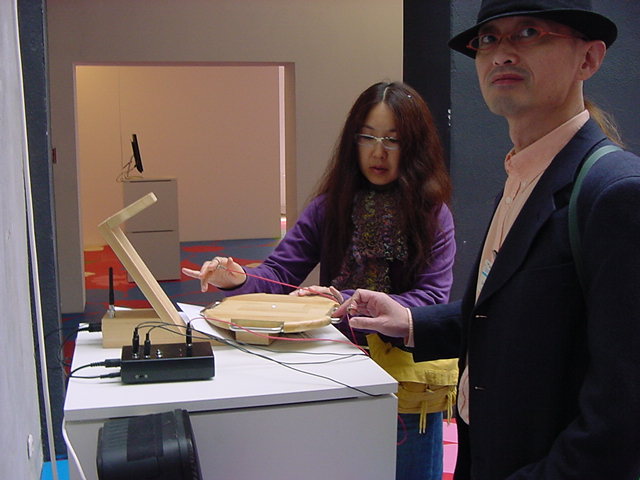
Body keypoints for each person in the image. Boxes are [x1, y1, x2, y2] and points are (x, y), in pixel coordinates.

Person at [334, 1, 640, 479]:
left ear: (589, 58)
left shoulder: (615, 191)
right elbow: (514, 315)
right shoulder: (522, 176)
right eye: (489, 39)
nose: (501, 54)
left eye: (530, 32)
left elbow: (622, 416)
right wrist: (410, 321)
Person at [182, 81, 457, 480]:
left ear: (414, 145)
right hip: (338, 365)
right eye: (368, 137)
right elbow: (279, 274)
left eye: (393, 140)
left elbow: (431, 298)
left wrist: (348, 298)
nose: (378, 152)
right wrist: (236, 279)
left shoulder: (432, 214)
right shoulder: (329, 208)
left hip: (406, 380)